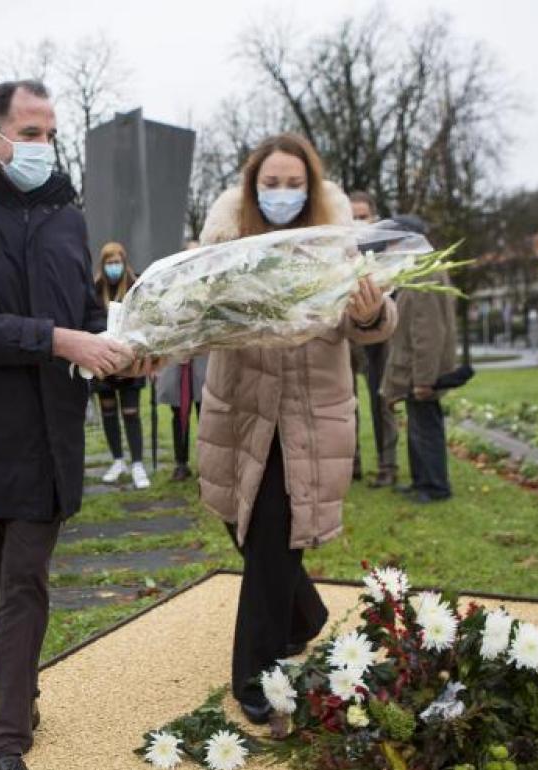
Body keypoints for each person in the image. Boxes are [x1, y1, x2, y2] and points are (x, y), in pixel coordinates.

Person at [0, 79, 149, 770]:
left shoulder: (66, 220)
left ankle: (4, 744)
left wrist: (135, 339)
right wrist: (59, 340)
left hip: (49, 438)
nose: (47, 146)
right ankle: (22, 696)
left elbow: (85, 312)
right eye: (34, 133)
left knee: (24, 585)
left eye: (52, 133)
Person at [195, 133, 397, 729]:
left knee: (271, 538)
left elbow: (377, 322)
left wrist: (368, 311)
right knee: (248, 531)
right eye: (270, 183)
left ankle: (254, 676)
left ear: (311, 188)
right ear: (251, 188)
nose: (281, 193)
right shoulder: (226, 249)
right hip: (241, 413)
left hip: (309, 417)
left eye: (293, 183)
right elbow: (200, 323)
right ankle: (303, 618)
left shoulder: (338, 246)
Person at [380, 214, 457, 504]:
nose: (387, 249)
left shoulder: (425, 274)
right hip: (415, 370)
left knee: (426, 429)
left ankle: (435, 486)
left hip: (422, 372)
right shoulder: (418, 270)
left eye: (392, 242)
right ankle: (420, 482)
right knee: (418, 426)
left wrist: (424, 380)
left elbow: (428, 333)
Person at [350, 190, 400, 487]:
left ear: (374, 218)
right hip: (349, 332)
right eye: (352, 217)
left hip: (380, 333)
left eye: (363, 217)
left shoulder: (387, 250)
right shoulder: (339, 249)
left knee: (383, 398)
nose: (358, 223)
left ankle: (388, 464)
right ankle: (351, 463)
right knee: (347, 399)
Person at [93, 242, 150, 489]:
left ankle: (137, 463)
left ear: (124, 262)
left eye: (117, 262)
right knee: (108, 411)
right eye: (109, 263)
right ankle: (117, 460)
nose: (113, 267)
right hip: (102, 359)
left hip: (129, 360)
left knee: (131, 412)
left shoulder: (135, 286)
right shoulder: (95, 289)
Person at [155, 353, 207, 481]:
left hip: (203, 357)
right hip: (175, 358)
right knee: (179, 414)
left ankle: (207, 465)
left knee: (205, 414)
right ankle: (181, 464)